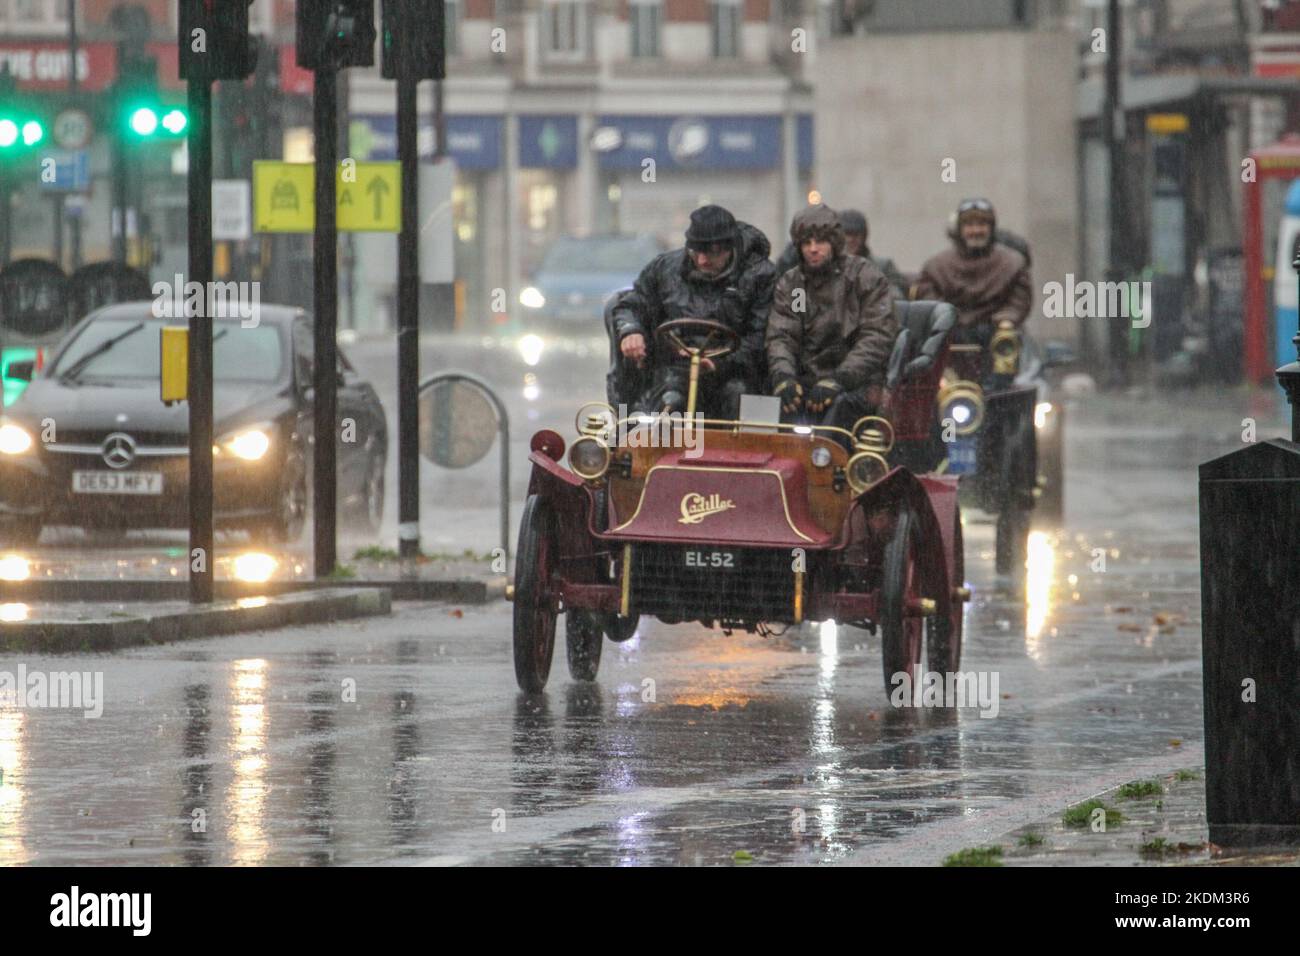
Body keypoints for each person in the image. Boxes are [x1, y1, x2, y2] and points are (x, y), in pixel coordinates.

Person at [610, 204, 776, 418]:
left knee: (738, 397)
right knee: (668, 400)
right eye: (696, 252)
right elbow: (631, 304)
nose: (702, 260)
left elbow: (760, 337)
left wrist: (719, 363)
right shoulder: (665, 269)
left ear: (730, 248)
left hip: (737, 372)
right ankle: (655, 442)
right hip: (673, 368)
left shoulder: (760, 276)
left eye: (712, 253)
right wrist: (631, 331)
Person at [766, 204, 897, 438]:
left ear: (835, 243)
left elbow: (876, 337)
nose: (813, 249)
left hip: (858, 381)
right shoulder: (794, 284)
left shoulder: (864, 277)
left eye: (820, 242)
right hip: (806, 379)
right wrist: (784, 377)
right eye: (806, 243)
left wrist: (839, 379)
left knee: (839, 414)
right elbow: (783, 334)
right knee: (765, 407)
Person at [914, 198, 1032, 350]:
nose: (976, 230)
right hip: (950, 340)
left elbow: (1019, 301)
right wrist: (947, 322)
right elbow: (929, 300)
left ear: (991, 228)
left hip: (998, 340)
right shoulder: (936, 267)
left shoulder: (1012, 263)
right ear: (960, 229)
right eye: (969, 225)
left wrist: (1005, 320)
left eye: (982, 224)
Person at [775, 208, 907, 298]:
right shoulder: (823, 266)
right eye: (846, 234)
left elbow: (896, 295)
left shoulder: (881, 267)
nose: (850, 240)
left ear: (864, 236)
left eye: (855, 234)